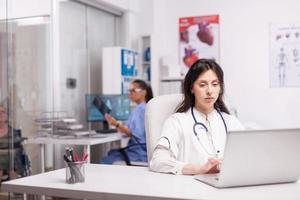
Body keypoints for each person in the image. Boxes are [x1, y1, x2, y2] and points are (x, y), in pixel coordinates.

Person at [149, 59, 244, 175]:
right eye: (202, 85)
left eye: (215, 84)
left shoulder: (232, 122)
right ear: (191, 88)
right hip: (190, 189)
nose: (210, 91)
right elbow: (158, 161)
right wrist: (199, 169)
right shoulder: (177, 121)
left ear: (220, 88)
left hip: (226, 187)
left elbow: (249, 157)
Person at [100, 79, 153, 164]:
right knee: (112, 153)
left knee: (106, 160)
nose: (130, 93)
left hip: (139, 151)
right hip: (142, 150)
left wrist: (116, 124)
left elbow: (134, 134)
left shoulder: (140, 109)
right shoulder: (144, 108)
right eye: (129, 91)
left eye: (133, 91)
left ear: (144, 92)